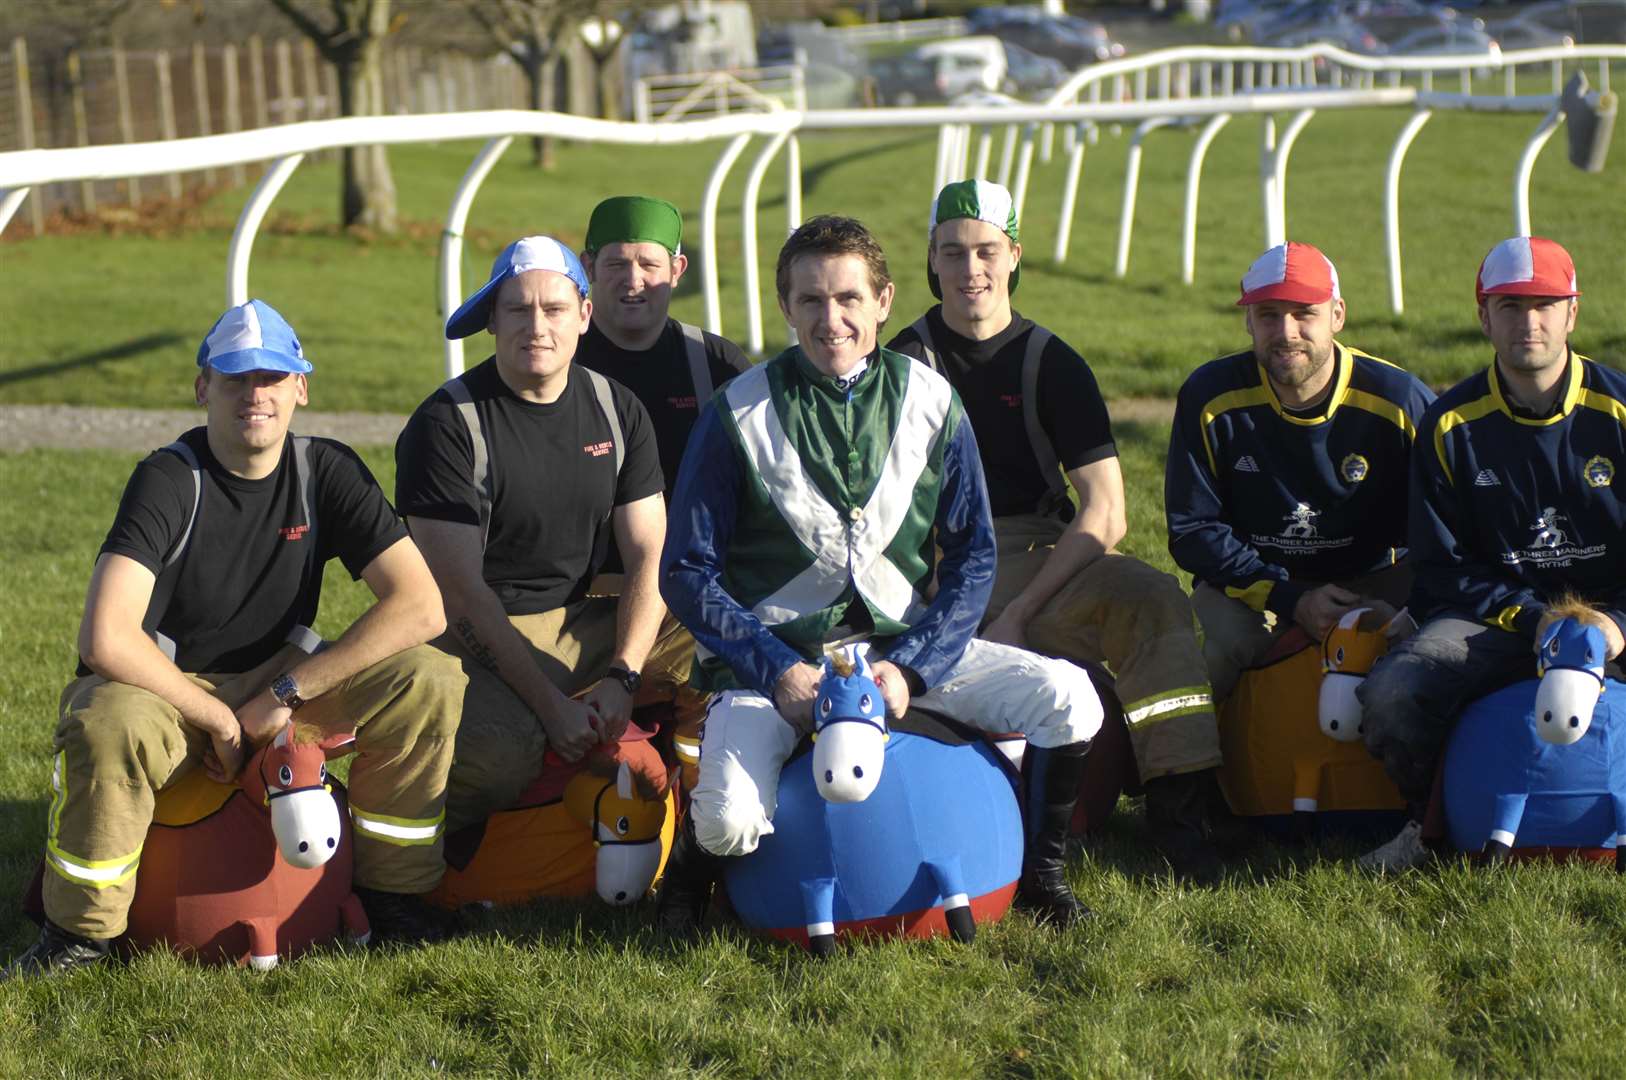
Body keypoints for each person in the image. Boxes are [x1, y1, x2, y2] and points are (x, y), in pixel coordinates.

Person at [657, 215, 1103, 935]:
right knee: (731, 822)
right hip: (775, 666)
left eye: (849, 299)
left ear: (884, 301)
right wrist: (775, 670)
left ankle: (1043, 878)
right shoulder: (735, 413)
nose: (831, 319)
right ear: (786, 308)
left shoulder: (931, 400)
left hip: (899, 648)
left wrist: (913, 671)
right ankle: (687, 880)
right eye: (811, 301)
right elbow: (685, 570)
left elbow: (975, 557)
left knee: (1068, 698)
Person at [5, 300, 465, 979]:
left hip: (281, 684)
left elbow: (422, 606)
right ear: (203, 389)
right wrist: (218, 717)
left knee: (429, 676)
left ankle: (392, 896)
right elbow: (106, 636)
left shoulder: (327, 471)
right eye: (236, 378)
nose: (256, 394)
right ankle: (79, 934)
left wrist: (285, 692)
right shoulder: (169, 477)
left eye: (273, 377)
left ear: (300, 388)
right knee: (107, 724)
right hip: (165, 688)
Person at [887, 179, 1228, 883]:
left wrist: (1022, 611)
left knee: (1151, 597)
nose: (970, 269)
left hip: (1030, 548)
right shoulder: (901, 361)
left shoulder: (1053, 363)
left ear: (1014, 254)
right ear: (931, 261)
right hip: (927, 554)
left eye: (986, 250)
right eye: (952, 253)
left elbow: (1106, 510)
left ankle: (1181, 809)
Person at [395, 236, 691, 837]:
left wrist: (623, 677)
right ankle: (433, 872)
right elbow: (459, 595)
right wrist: (550, 706)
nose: (537, 326)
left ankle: (701, 823)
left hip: (580, 620)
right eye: (518, 310)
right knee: (503, 755)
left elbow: (649, 553)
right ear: (491, 322)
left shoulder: (617, 407)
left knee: (715, 640)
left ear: (585, 315)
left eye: (554, 309)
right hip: (470, 634)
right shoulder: (447, 424)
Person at [1357, 236, 1626, 872]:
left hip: (1614, 614)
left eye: (1543, 305)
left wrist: (1613, 625)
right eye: (1509, 306)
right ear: (1483, 316)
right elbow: (1441, 568)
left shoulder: (1618, 411)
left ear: (1572, 312)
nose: (1527, 322)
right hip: (1500, 619)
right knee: (1395, 691)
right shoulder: (1450, 426)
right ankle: (1423, 826)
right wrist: (1534, 621)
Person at [1166, 242, 1434, 701]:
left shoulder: (1399, 400)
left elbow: (1445, 527)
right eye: (1269, 315)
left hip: (1375, 578)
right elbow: (1192, 529)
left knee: (1421, 653)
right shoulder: (1209, 396)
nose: (1286, 332)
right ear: (1248, 322)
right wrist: (1289, 597)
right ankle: (1201, 769)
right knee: (1221, 651)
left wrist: (1397, 604)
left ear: (1338, 315)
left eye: (1304, 313)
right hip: (1256, 581)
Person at [575, 195, 751, 782]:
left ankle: (702, 811)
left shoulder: (715, 364)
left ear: (677, 270)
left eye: (648, 265)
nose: (633, 282)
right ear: (588, 268)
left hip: (695, 589)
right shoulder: (557, 360)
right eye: (616, 265)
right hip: (582, 599)